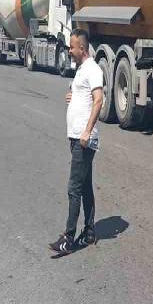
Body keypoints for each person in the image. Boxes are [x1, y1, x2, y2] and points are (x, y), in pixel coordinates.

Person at [49, 29, 104, 254]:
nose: (69, 51)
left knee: (74, 188)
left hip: (83, 139)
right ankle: (89, 232)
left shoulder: (93, 69)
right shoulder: (81, 69)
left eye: (72, 47)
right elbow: (85, 96)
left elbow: (98, 100)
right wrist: (72, 97)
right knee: (85, 186)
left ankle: (68, 238)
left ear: (82, 48)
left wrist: (87, 132)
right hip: (76, 136)